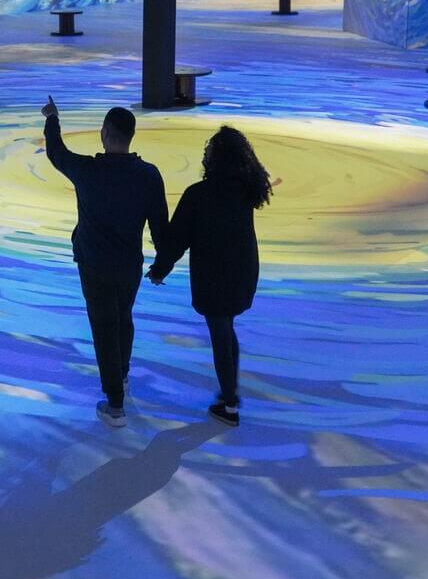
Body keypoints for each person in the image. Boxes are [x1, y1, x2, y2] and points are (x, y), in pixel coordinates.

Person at [41, 96, 168, 427]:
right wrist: (162, 266)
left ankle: (115, 405)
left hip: (94, 265)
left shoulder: (88, 171)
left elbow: (56, 153)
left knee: (103, 327)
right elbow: (160, 228)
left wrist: (53, 118)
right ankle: (121, 377)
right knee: (123, 319)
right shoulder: (149, 176)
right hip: (129, 265)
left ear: (106, 134)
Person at [146, 126, 272, 427]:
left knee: (220, 334)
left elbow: (177, 239)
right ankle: (231, 395)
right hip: (242, 273)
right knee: (226, 329)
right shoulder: (245, 189)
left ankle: (229, 404)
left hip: (215, 277)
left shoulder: (199, 195)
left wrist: (159, 269)